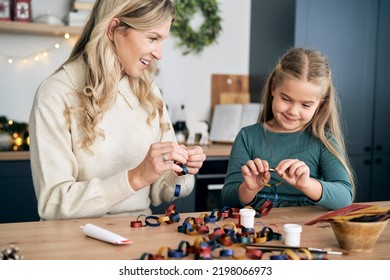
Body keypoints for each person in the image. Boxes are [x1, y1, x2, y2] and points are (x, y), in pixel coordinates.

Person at [29, 0, 206, 220]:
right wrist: (135, 177)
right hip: (75, 239)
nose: (159, 54)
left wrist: (181, 170)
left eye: (162, 41)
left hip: (139, 231)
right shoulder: (56, 93)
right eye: (152, 38)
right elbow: (53, 204)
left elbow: (162, 191)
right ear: (114, 29)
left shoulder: (148, 91)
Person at [221, 47, 354, 211]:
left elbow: (345, 197)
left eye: (305, 105)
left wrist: (306, 184)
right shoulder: (247, 137)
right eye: (286, 99)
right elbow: (227, 197)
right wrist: (249, 189)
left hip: (306, 232)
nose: (293, 111)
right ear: (273, 89)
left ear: (320, 105)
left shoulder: (323, 140)